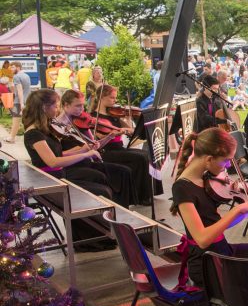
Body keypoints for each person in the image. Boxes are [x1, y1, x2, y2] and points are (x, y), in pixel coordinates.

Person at [22, 89, 116, 252]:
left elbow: (59, 153)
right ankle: (87, 241)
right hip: (52, 182)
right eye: (55, 105)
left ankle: (102, 236)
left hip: (58, 176)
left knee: (101, 184)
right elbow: (53, 162)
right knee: (102, 192)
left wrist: (82, 149)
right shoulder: (33, 134)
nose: (57, 109)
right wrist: (85, 154)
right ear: (44, 107)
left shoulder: (44, 128)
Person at [171, 128, 248, 287]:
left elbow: (216, 227)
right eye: (226, 161)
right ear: (209, 159)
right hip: (207, 262)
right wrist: (237, 210)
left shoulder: (206, 178)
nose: (228, 166)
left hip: (221, 249)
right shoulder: (182, 188)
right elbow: (202, 239)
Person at [57, 90, 136, 207]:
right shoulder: (58, 126)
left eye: (83, 105)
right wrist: (84, 150)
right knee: (104, 176)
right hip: (73, 165)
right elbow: (59, 155)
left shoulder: (82, 122)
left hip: (87, 161)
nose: (82, 109)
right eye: (78, 106)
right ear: (66, 105)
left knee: (124, 171)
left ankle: (122, 208)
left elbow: (95, 146)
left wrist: (110, 136)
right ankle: (110, 208)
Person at [90, 84, 157, 205]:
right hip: (107, 151)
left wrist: (126, 120)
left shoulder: (114, 114)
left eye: (115, 98)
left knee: (145, 154)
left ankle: (142, 195)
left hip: (119, 148)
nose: (115, 101)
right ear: (101, 98)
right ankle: (140, 197)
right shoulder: (94, 118)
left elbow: (131, 130)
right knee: (140, 157)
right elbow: (98, 139)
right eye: (112, 98)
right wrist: (112, 134)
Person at [6, 61, 31, 144]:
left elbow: (20, 91)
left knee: (16, 120)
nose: (11, 69)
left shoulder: (16, 76)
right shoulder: (26, 76)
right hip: (27, 99)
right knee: (27, 120)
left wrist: (21, 104)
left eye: (12, 67)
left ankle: (12, 138)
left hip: (19, 102)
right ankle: (29, 138)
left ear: (18, 67)